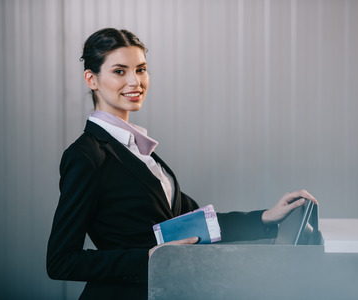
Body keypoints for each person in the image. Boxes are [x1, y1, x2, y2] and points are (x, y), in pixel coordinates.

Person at [46, 28, 318, 300]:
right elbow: (61, 260)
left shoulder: (142, 153)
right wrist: (149, 258)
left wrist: (265, 217)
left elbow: (198, 226)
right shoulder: (85, 156)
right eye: (120, 71)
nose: (135, 81)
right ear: (91, 79)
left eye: (141, 69)